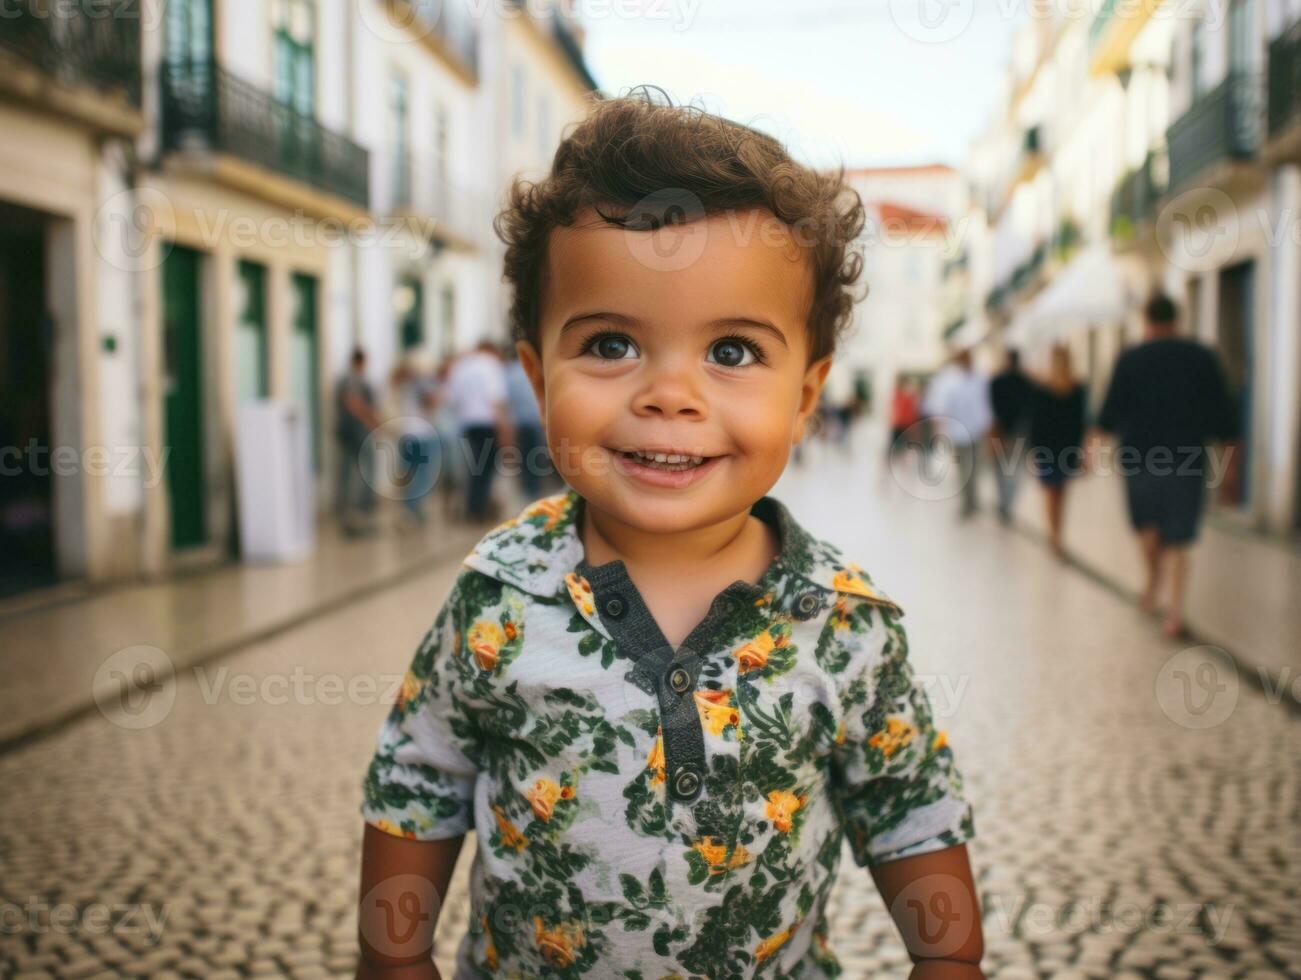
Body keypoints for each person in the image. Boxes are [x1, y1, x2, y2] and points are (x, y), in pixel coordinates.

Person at [356, 92, 983, 980]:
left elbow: (908, 806)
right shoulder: (498, 595)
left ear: (806, 395)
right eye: (611, 344)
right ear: (537, 378)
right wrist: (393, 961)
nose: (668, 395)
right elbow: (417, 781)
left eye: (730, 352)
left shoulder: (843, 625)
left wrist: (949, 961)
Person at [1093, 293, 1239, 638]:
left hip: (1139, 459)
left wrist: (1090, 449)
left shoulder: (1130, 359)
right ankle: (1174, 610)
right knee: (1178, 538)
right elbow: (1226, 420)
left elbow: (1108, 413)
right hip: (1187, 460)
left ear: (1146, 320)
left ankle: (1152, 581)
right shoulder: (1202, 357)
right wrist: (1231, 469)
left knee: (1147, 528)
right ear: (1177, 320)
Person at [1026, 345, 1088, 558]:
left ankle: (1054, 535)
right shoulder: (1077, 388)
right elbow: (1080, 424)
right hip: (1066, 449)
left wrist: (1033, 450)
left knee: (1051, 494)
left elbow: (1036, 424)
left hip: (1049, 449)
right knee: (1060, 493)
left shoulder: (1043, 389)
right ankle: (1056, 535)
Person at [445, 339, 514, 523]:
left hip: (467, 423)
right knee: (485, 468)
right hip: (487, 423)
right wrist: (504, 430)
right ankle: (477, 508)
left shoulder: (461, 366)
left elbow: (452, 399)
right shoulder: (490, 365)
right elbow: (497, 400)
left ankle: (472, 506)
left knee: (474, 467)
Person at [924, 348, 993, 520]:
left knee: (975, 468)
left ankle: (973, 501)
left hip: (977, 431)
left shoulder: (980, 379)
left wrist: (987, 426)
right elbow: (941, 406)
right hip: (959, 432)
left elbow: (984, 405)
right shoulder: (951, 381)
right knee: (964, 469)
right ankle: (966, 503)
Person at [334, 346, 380, 536]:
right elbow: (352, 402)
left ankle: (355, 511)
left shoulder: (351, 379)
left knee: (353, 472)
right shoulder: (352, 380)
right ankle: (356, 511)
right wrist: (371, 420)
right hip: (356, 433)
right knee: (362, 472)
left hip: (355, 432)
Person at [390, 359, 441, 525]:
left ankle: (409, 508)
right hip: (422, 434)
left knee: (409, 474)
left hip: (407, 434)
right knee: (422, 475)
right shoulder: (420, 385)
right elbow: (431, 403)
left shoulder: (402, 387)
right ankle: (412, 508)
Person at [988, 348, 1033, 525]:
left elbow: (990, 408)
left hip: (1001, 431)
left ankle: (1003, 502)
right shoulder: (1026, 383)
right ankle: (1007, 503)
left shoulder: (996, 381)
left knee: (1000, 469)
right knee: (1015, 470)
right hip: (1019, 432)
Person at [504, 345, 549, 502]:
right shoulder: (537, 369)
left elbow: (506, 402)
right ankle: (535, 492)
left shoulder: (509, 373)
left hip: (519, 423)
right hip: (537, 421)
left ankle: (528, 492)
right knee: (537, 459)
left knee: (525, 459)